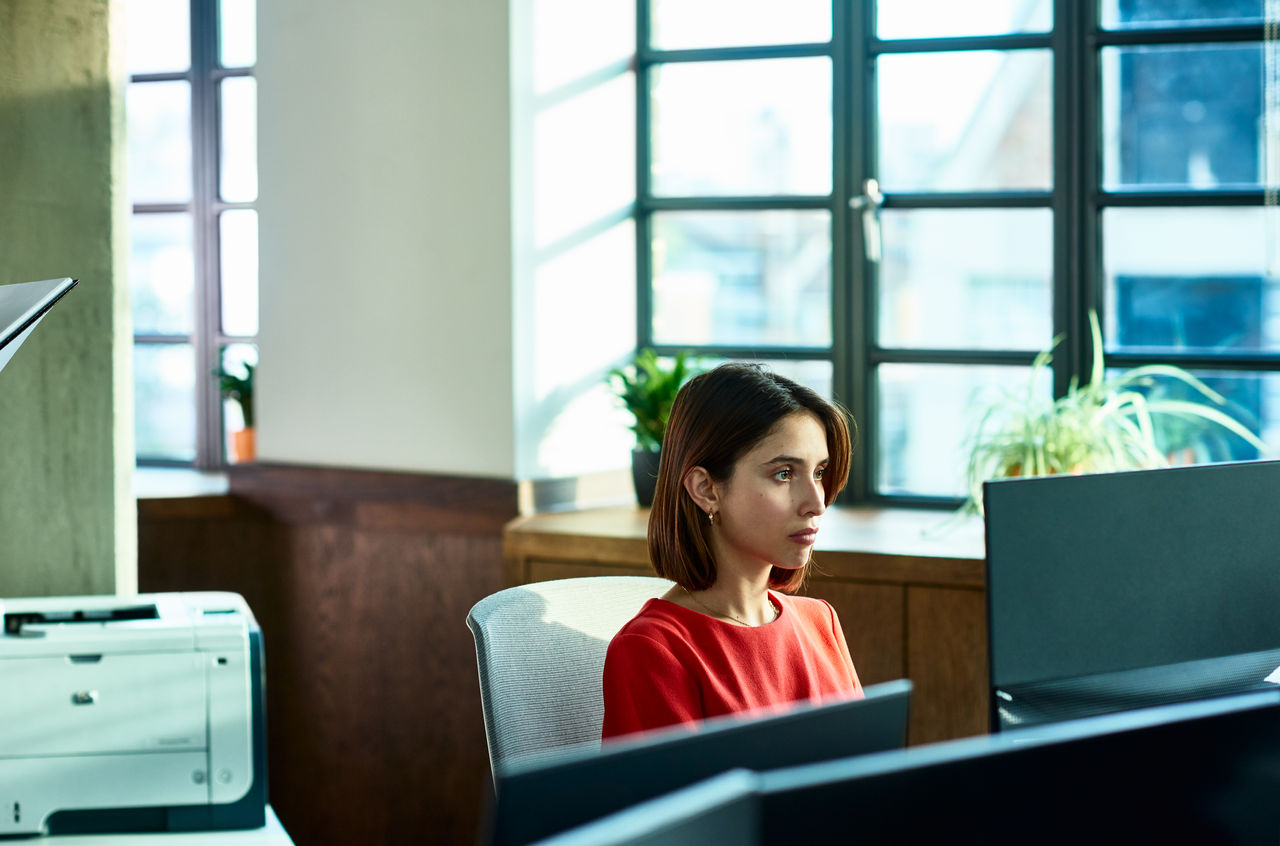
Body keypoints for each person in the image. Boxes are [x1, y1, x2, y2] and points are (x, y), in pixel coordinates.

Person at [602, 362, 864, 740]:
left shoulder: (820, 622)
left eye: (819, 473)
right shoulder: (651, 652)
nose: (816, 503)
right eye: (784, 474)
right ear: (706, 489)